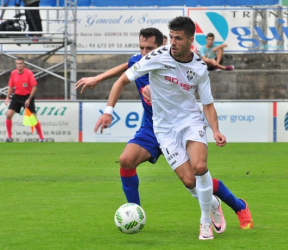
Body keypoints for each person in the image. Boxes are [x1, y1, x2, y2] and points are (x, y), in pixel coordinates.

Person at [76, 27, 253, 237]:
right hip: (153, 128)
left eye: (148, 48)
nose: (143, 52)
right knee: (126, 160)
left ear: (162, 46)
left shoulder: (177, 61)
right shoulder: (141, 60)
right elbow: (125, 68)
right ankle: (135, 213)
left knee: (196, 174)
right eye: (141, 47)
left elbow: (197, 92)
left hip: (181, 125)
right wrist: (99, 78)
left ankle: (238, 206)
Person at [5, 57, 44, 142]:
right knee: (8, 115)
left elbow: (34, 87)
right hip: (17, 97)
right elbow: (11, 86)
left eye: (20, 63)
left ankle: (41, 138)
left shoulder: (29, 73)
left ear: (24, 64)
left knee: (33, 118)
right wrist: (7, 97)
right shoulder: (13, 73)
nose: (19, 65)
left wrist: (29, 99)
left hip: (27, 96)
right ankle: (9, 137)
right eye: (17, 64)